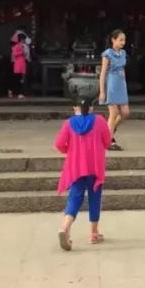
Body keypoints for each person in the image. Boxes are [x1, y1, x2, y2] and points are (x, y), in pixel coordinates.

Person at [55, 98, 113, 251]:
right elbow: (107, 141)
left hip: (76, 167)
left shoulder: (69, 123)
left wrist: (70, 151)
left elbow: (59, 144)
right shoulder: (99, 121)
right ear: (91, 108)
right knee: (95, 198)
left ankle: (65, 227)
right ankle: (93, 234)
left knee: (75, 198)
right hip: (94, 166)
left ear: (76, 108)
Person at [98, 29, 130, 151]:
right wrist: (102, 91)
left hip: (121, 83)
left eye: (124, 40)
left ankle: (108, 130)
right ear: (113, 40)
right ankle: (109, 141)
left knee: (125, 112)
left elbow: (123, 69)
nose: (123, 42)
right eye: (120, 39)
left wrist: (125, 84)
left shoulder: (123, 53)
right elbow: (102, 73)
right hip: (111, 83)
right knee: (114, 112)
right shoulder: (107, 54)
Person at [8, 32, 28, 99]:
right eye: (23, 39)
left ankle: (19, 92)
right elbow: (14, 54)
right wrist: (21, 51)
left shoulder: (24, 46)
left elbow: (26, 54)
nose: (24, 40)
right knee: (17, 79)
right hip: (18, 64)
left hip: (22, 64)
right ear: (21, 39)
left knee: (21, 79)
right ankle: (18, 92)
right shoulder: (16, 46)